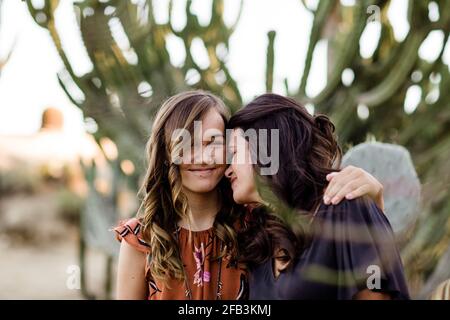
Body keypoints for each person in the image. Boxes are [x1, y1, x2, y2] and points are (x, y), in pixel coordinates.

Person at [114, 90, 387, 300]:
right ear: (166, 153)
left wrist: (373, 200)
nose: (203, 157)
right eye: (188, 143)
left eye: (214, 142)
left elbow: (340, 258)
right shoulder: (142, 241)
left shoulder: (257, 226)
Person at [225, 93, 410, 299]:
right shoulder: (260, 245)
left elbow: (375, 291)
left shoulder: (344, 205)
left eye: (235, 153)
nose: (228, 170)